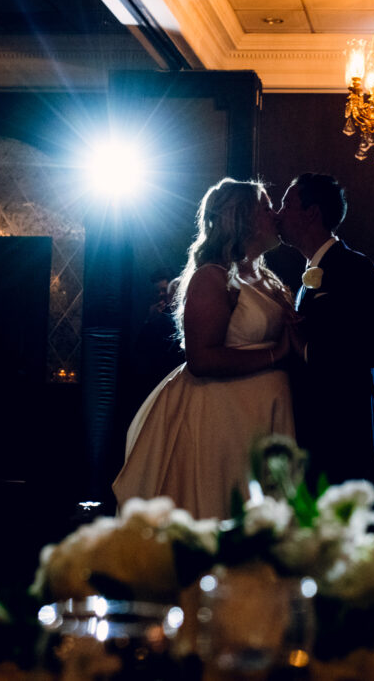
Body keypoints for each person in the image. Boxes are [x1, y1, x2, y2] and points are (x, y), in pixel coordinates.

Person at [113, 178, 296, 520]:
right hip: (222, 415)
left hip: (264, 413)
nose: (276, 215)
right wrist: (274, 355)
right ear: (243, 218)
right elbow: (201, 358)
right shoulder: (212, 277)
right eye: (266, 207)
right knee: (221, 508)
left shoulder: (266, 278)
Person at [277, 172, 374, 489]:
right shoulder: (307, 272)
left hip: (346, 429)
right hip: (315, 430)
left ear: (312, 213)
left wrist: (305, 348)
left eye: (286, 204)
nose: (278, 214)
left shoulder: (353, 267)